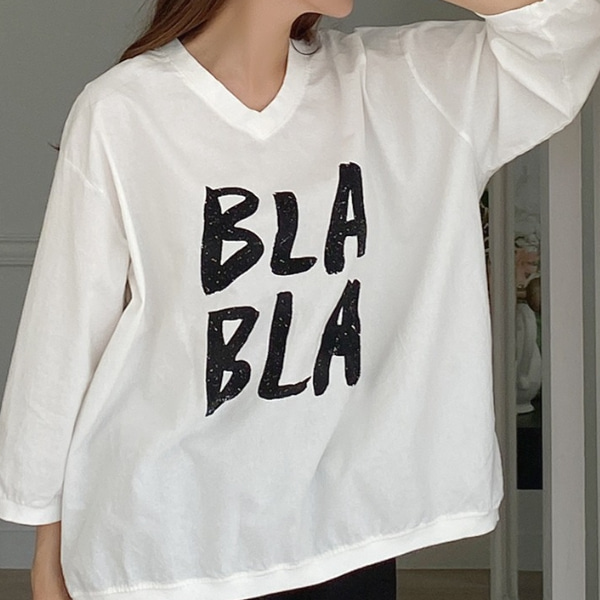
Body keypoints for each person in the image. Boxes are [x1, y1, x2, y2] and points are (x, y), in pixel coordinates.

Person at [1, 0, 599, 599]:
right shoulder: (123, 110)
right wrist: (48, 545)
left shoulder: (406, 82)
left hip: (341, 537)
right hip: (166, 540)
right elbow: (64, 338)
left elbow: (565, 29)